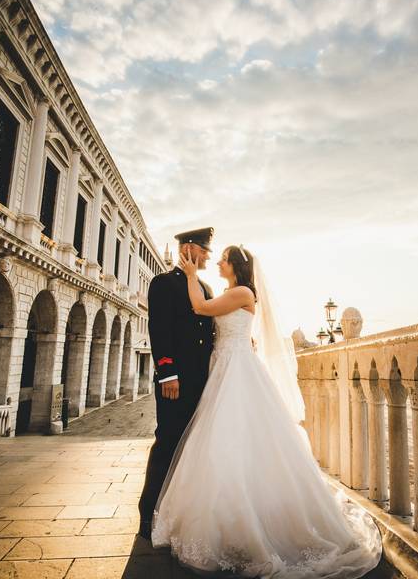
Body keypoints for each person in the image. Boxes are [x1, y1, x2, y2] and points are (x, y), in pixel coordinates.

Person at [151, 244, 382, 578]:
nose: (218, 262)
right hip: (224, 367)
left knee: (235, 437)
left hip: (236, 371)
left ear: (236, 266)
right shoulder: (232, 291)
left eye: (224, 259)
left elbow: (200, 307)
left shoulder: (243, 291)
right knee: (222, 442)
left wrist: (189, 274)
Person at [137, 227, 217, 541]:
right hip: (176, 381)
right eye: (205, 250)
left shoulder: (206, 288)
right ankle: (148, 513)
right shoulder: (163, 283)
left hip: (202, 381)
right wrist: (167, 372)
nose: (209, 256)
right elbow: (159, 329)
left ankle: (179, 514)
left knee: (193, 448)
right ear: (188, 248)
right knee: (168, 442)